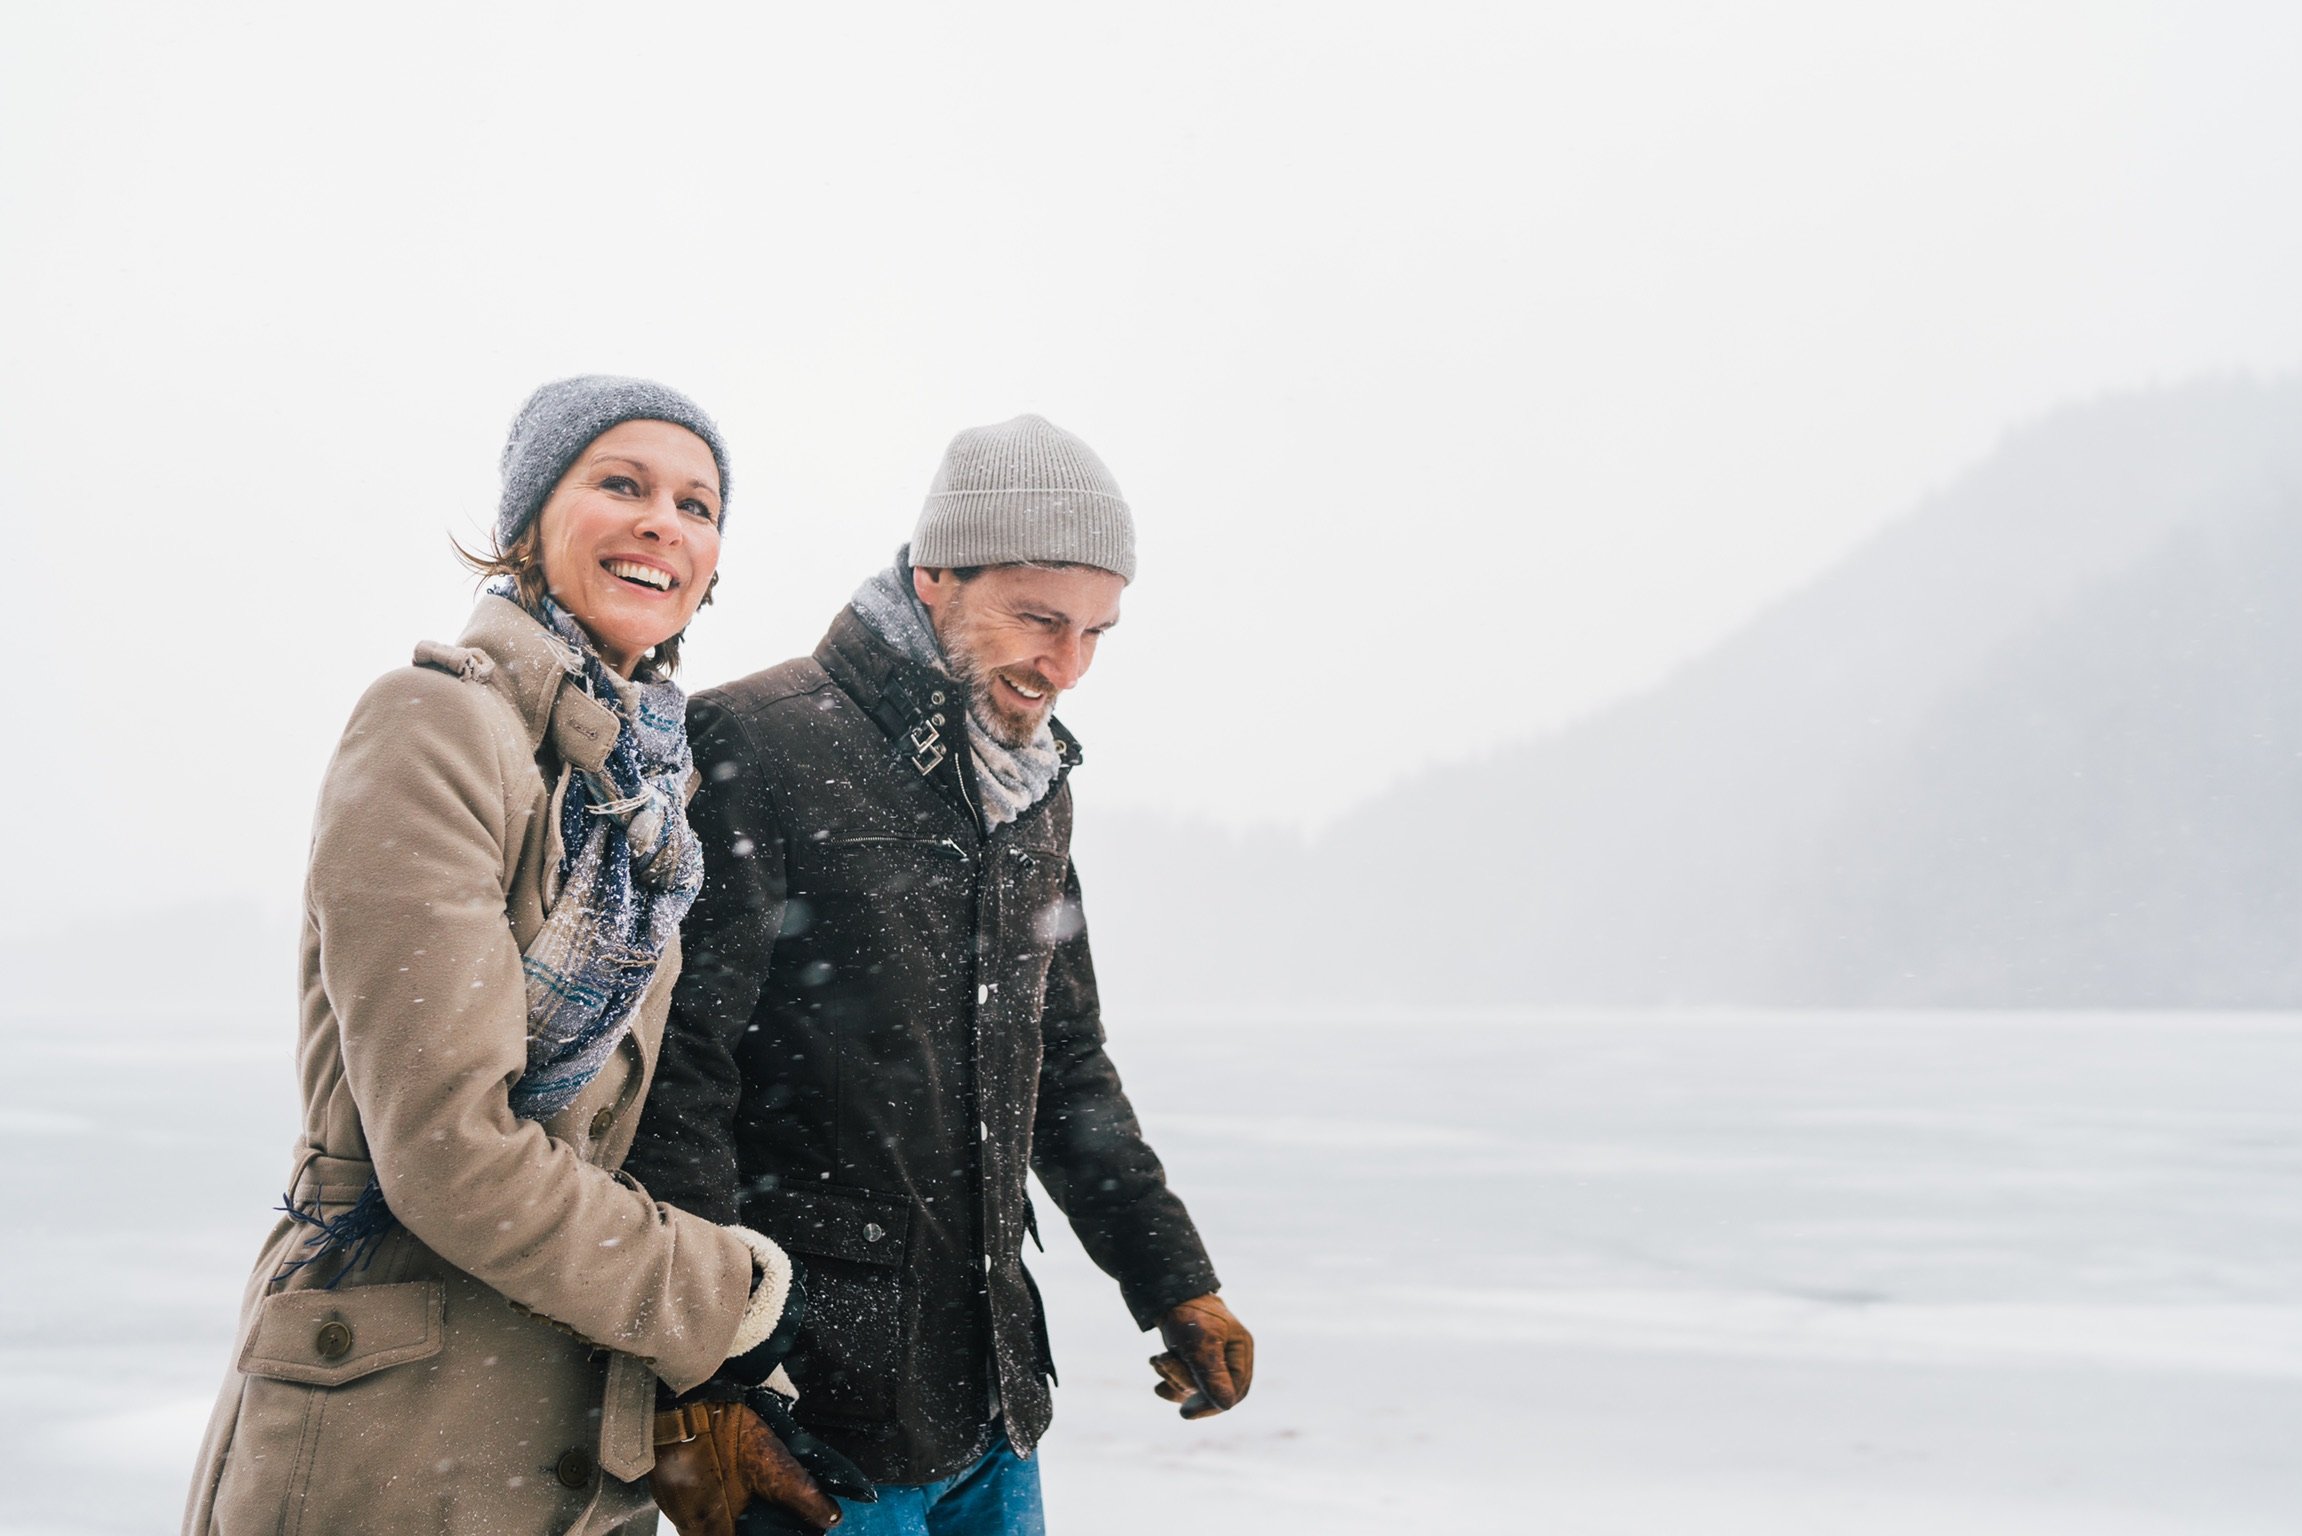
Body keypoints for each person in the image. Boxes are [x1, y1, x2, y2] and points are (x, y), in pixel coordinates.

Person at [183, 377, 845, 1536]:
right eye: (621, 485)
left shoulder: (643, 791)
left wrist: (698, 1389)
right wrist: (718, 1298)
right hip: (391, 1414)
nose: (663, 524)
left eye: (697, 505)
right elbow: (448, 1148)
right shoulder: (434, 725)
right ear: (529, 522)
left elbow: (617, 1130)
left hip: (569, 1419)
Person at [625, 414, 1256, 1534]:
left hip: (993, 1402)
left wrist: (1170, 1277)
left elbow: (1065, 1069)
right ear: (934, 577)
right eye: (1037, 619)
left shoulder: (1028, 789)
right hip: (813, 1418)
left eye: (1097, 632)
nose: (1065, 667)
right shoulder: (754, 746)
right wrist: (704, 1386)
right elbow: (678, 1083)